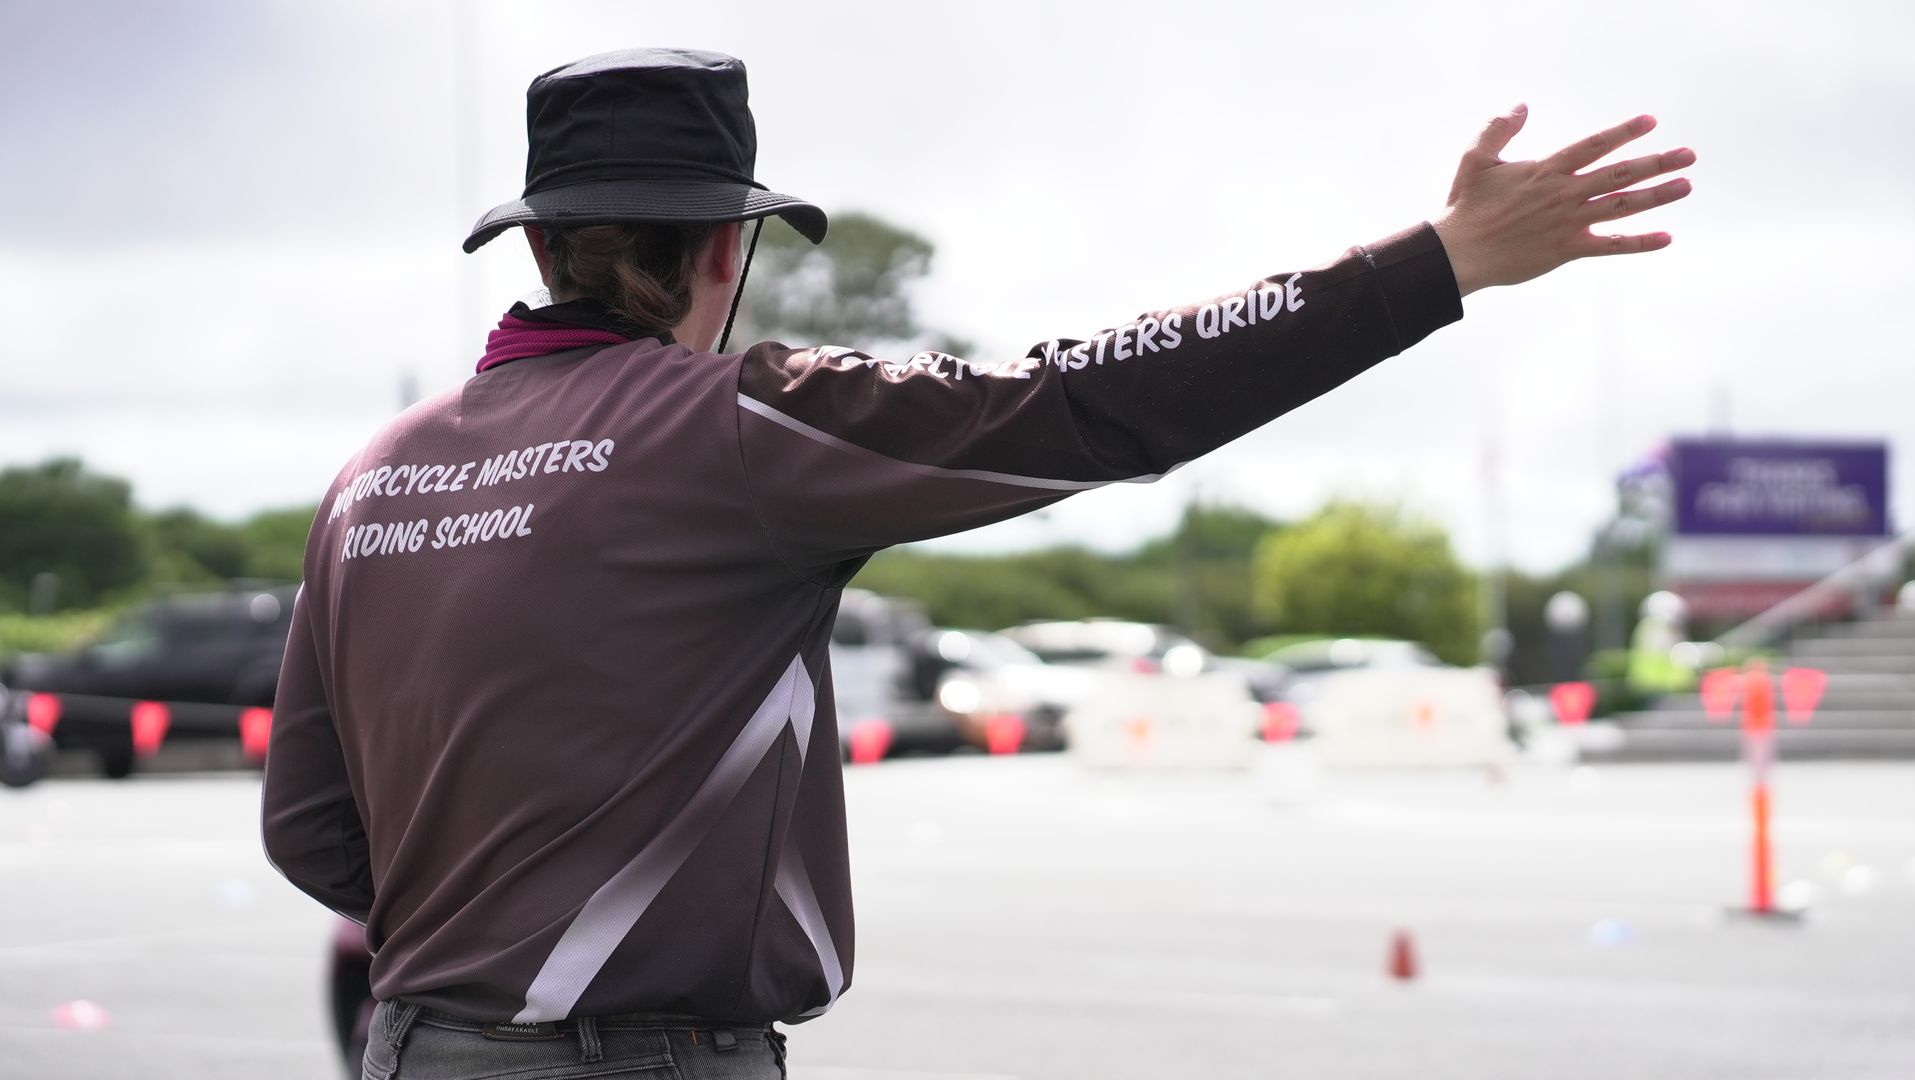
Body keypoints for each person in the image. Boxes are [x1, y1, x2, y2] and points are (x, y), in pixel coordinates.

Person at [262, 47, 1694, 1080]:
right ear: (722, 250)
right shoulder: (734, 425)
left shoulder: (373, 476)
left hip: (413, 1048)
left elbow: (311, 831)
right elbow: (1080, 404)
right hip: (644, 1057)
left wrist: (488, 936)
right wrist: (1432, 263)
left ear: (545, 247)